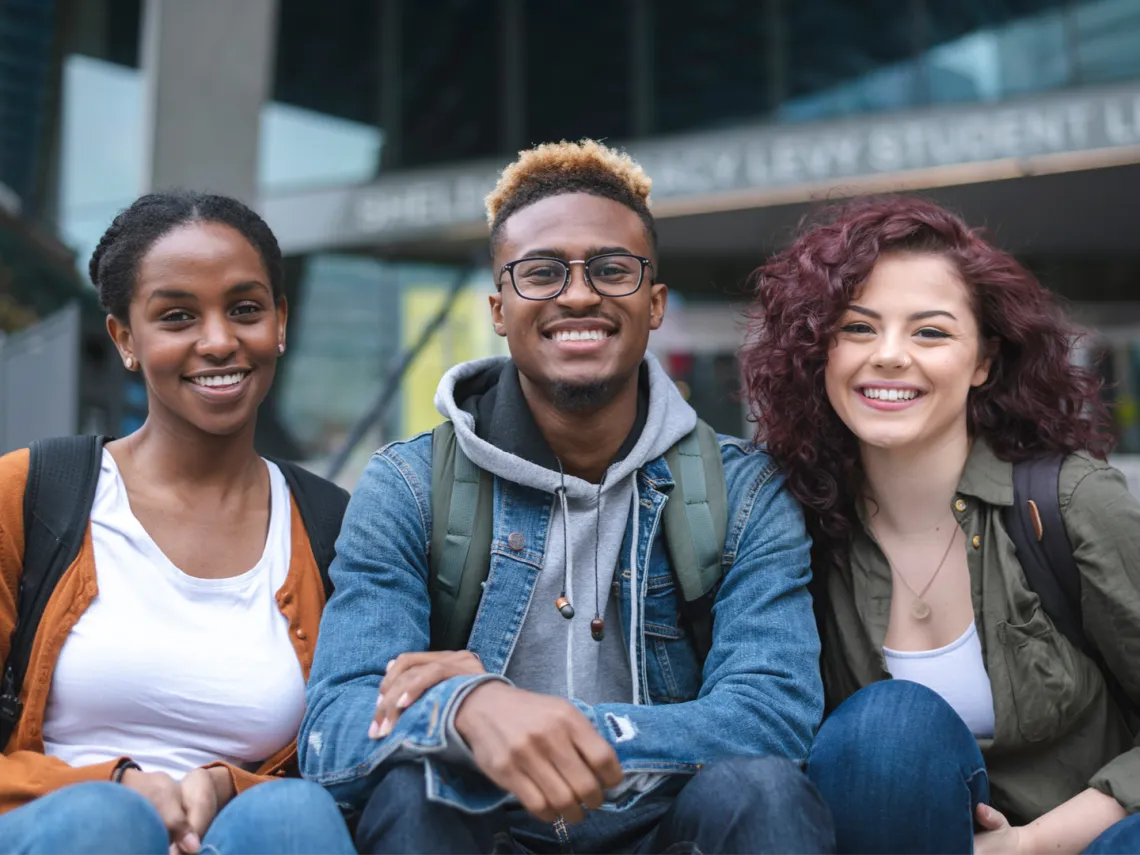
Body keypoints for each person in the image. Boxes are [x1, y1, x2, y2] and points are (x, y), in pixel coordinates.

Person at [300, 140, 833, 854]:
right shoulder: (408, 485)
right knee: (412, 796)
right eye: (542, 272)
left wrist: (557, 723)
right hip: (488, 824)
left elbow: (772, 718)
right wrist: (466, 710)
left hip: (666, 825)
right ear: (499, 308)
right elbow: (333, 734)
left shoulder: (742, 490)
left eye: (611, 269)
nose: (578, 295)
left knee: (764, 792)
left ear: (654, 303)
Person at [741, 195, 1140, 855]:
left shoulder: (1068, 502)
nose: (890, 355)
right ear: (819, 352)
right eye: (858, 328)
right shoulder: (793, 523)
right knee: (885, 729)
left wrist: (1029, 844)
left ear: (984, 361)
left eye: (930, 332)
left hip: (1085, 841)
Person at [0, 192, 355, 854]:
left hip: (242, 835)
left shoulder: (335, 530)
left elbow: (350, 762)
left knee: (294, 813)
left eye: (245, 309)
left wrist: (224, 786)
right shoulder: (26, 496)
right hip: (56, 828)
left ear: (280, 321)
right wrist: (117, 784)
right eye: (177, 316)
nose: (218, 341)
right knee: (105, 821)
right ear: (125, 339)